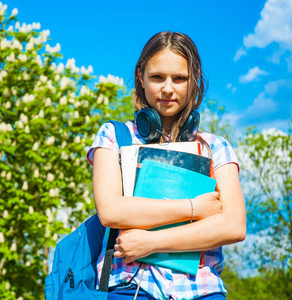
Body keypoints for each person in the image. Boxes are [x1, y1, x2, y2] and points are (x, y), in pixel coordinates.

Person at [87, 31, 246, 300]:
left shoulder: (216, 146)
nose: (168, 88)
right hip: (129, 289)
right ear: (141, 76)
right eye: (157, 77)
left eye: (180, 78)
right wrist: (196, 209)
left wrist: (151, 242)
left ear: (194, 80)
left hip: (202, 290)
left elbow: (233, 226)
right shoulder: (113, 137)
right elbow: (111, 210)